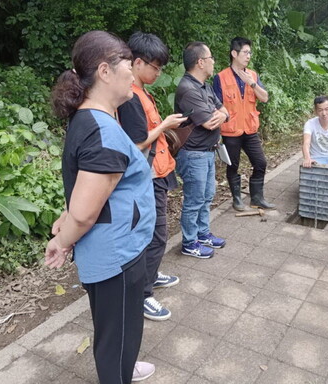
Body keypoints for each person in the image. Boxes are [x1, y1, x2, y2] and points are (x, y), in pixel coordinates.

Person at [46, 31, 156, 383]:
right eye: (128, 64)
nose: (133, 73)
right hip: (117, 257)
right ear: (105, 71)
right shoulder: (101, 131)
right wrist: (63, 240)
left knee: (118, 333)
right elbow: (84, 212)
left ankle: (123, 369)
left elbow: (83, 191)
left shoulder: (90, 119)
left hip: (117, 251)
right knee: (116, 342)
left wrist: (65, 225)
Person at [117, 32, 187, 322]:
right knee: (156, 236)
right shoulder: (130, 96)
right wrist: (166, 125)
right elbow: (136, 144)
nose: (158, 73)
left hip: (159, 170)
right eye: (155, 67)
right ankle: (142, 296)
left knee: (155, 234)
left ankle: (151, 274)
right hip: (148, 176)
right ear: (137, 62)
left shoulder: (141, 91)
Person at [174, 41, 228, 259]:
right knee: (194, 200)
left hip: (208, 151)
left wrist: (223, 114)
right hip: (193, 153)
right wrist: (221, 115)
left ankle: (203, 234)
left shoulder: (204, 86)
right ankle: (189, 242)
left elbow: (223, 110)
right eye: (211, 57)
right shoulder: (187, 89)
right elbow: (209, 122)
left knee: (207, 196)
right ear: (200, 62)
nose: (214, 62)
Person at [213, 37, 275, 211]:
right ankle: (237, 199)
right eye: (245, 52)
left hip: (249, 129)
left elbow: (264, 97)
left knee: (261, 163)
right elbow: (216, 104)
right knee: (233, 166)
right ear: (234, 53)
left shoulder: (253, 75)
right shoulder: (220, 77)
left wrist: (252, 83)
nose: (249, 56)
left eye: (250, 53)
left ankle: (257, 198)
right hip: (231, 131)